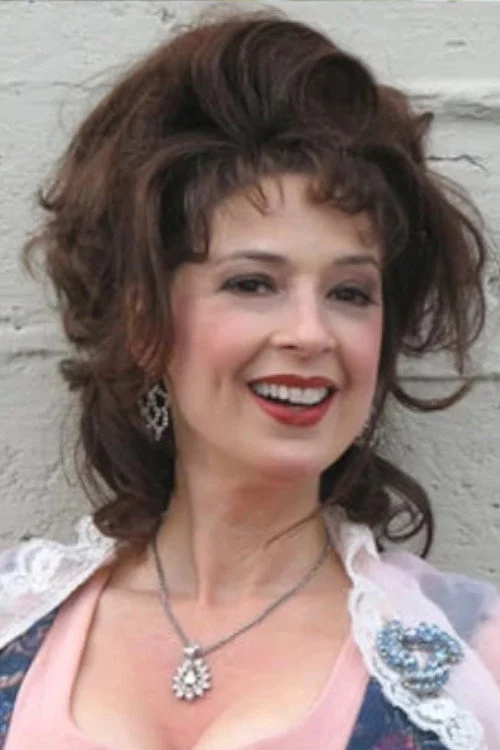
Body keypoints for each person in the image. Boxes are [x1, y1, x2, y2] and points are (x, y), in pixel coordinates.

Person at [0, 6, 499, 749]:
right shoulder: (15, 622)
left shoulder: (473, 657)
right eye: (253, 283)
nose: (311, 333)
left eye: (350, 292)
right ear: (145, 321)